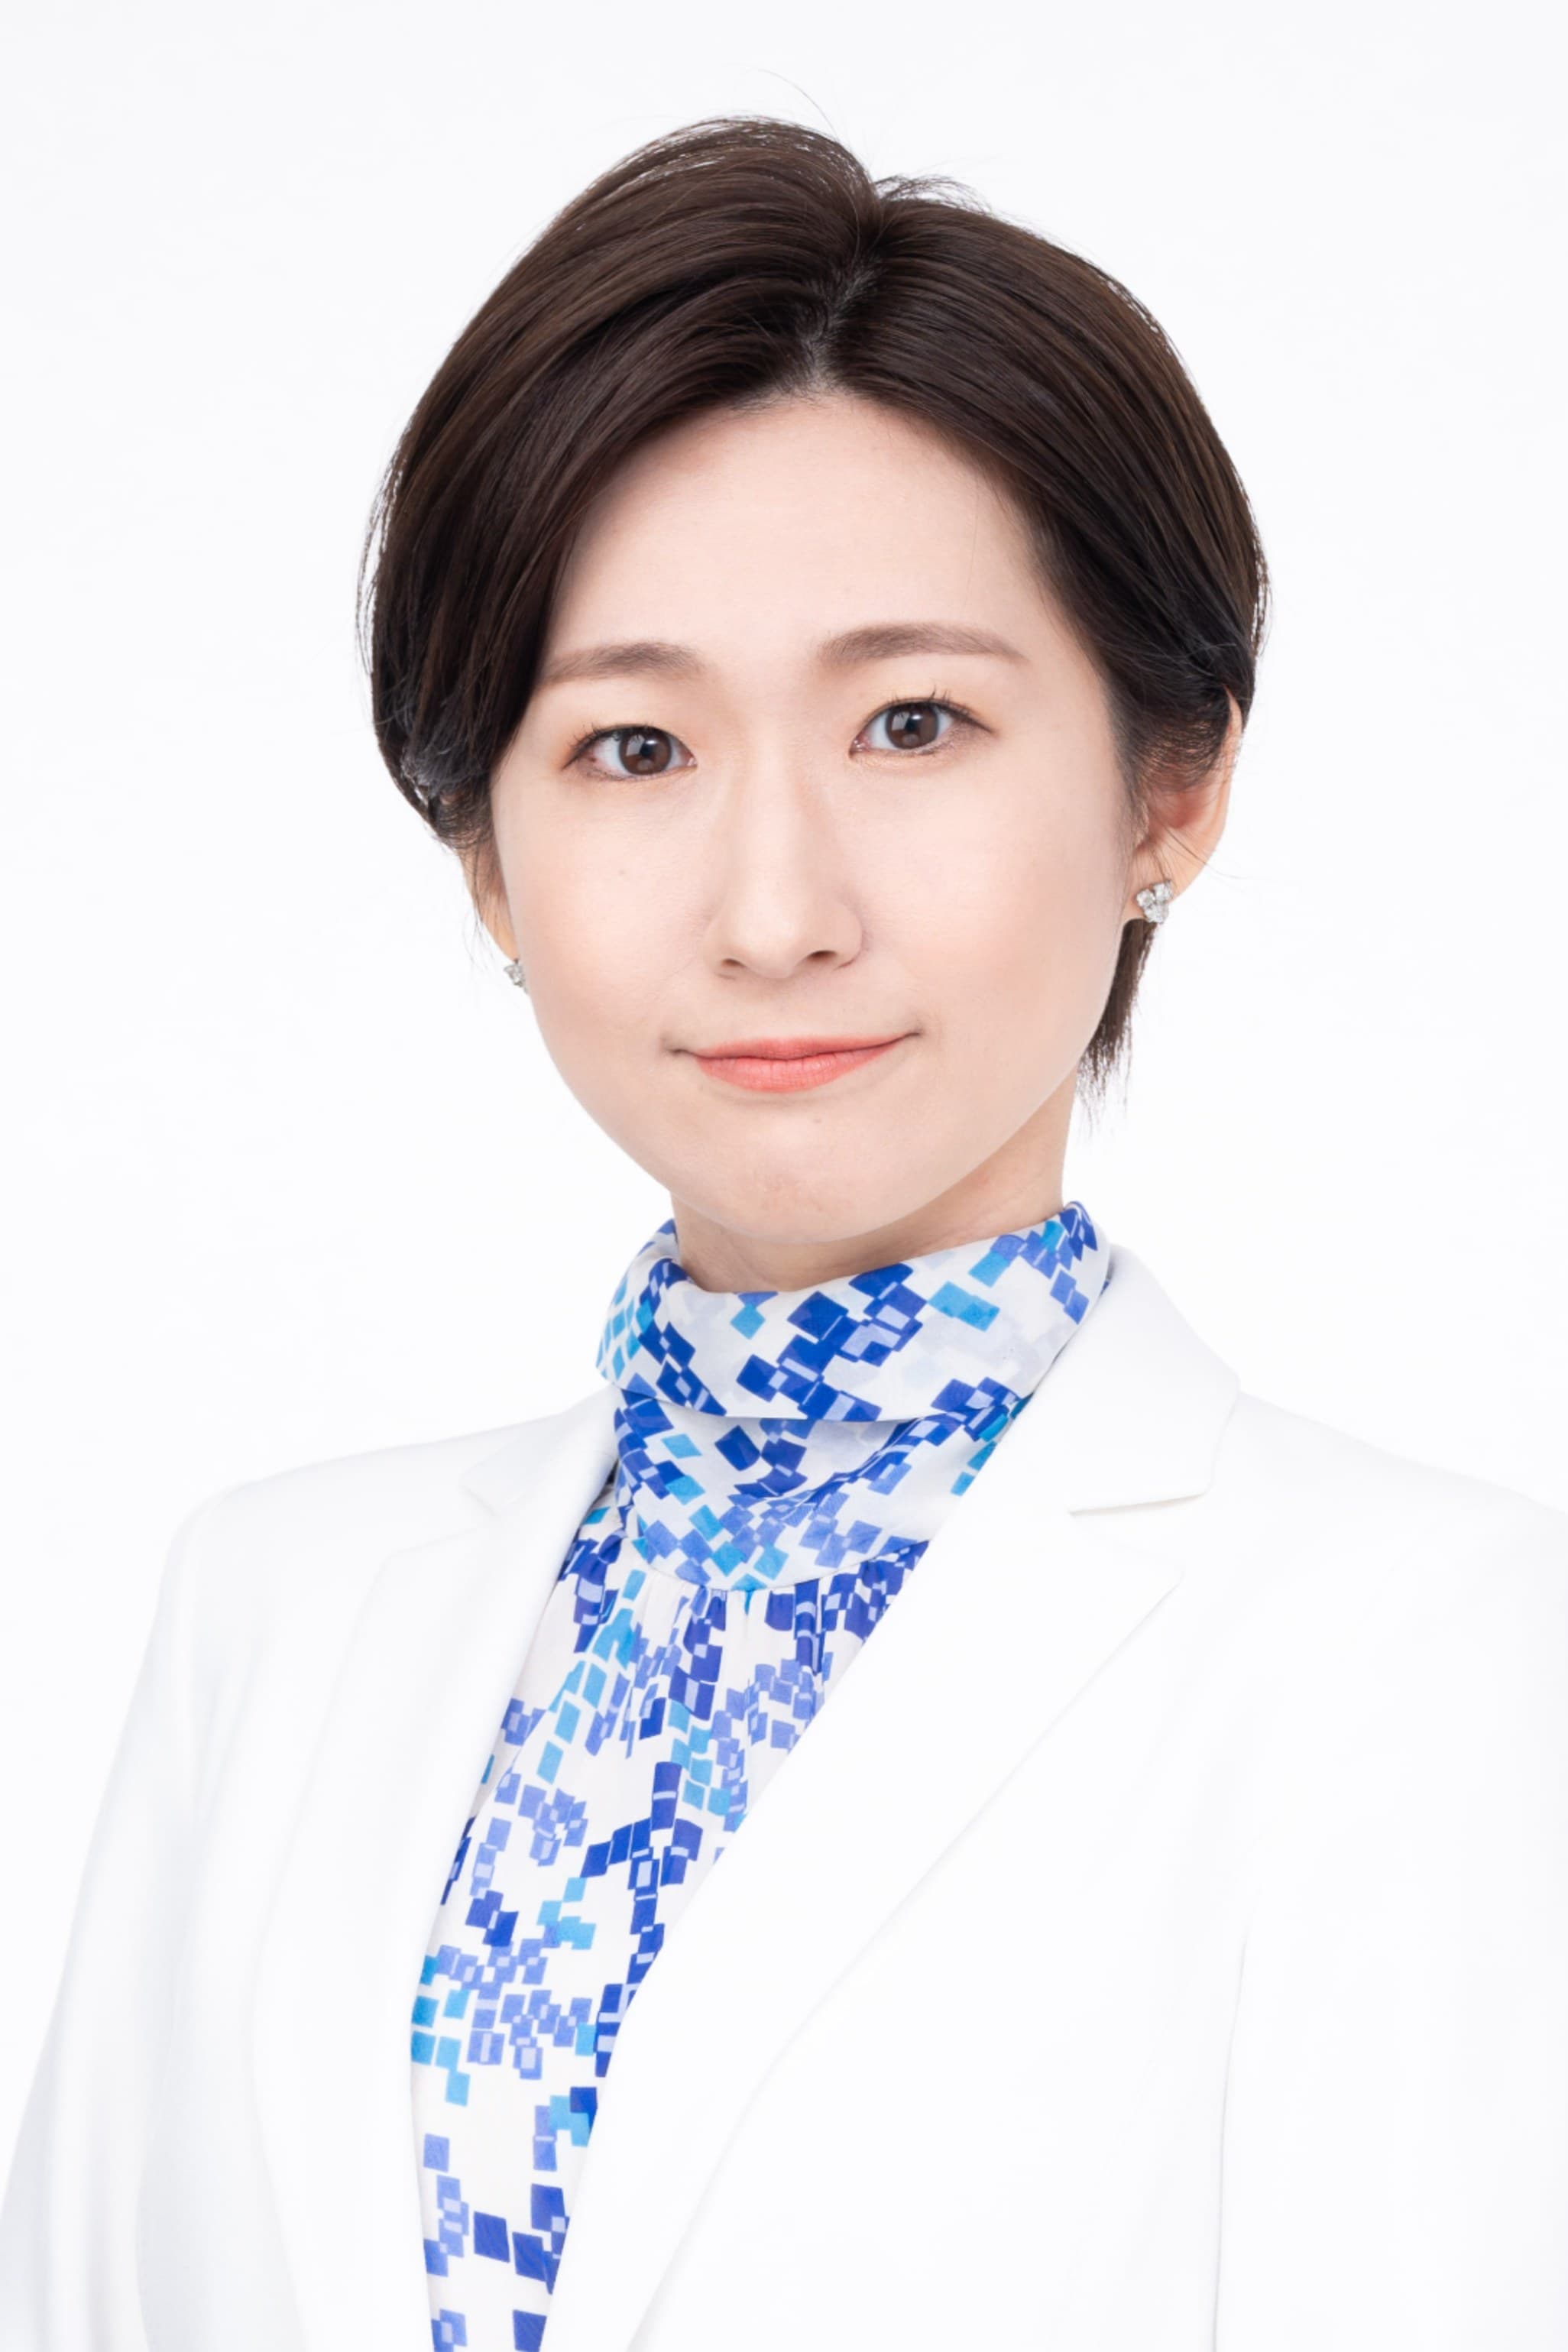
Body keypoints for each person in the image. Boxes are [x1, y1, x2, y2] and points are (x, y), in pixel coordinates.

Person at [2, 114, 1564, 2352]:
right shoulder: (273, 1612)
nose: (771, 913)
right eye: (633, 749)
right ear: (483, 855)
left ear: (1172, 784)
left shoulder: (1438, 1659)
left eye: (913, 723)